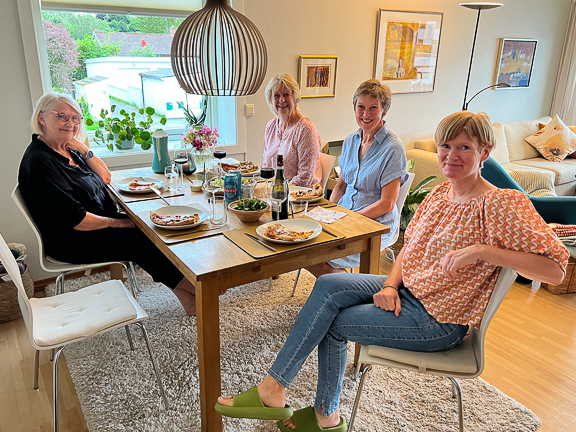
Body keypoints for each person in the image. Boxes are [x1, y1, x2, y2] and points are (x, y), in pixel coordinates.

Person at [215, 111, 569, 431]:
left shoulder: (501, 203)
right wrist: (388, 285)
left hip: (437, 321)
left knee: (333, 324)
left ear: (485, 152)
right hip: (407, 291)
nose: (452, 155)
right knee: (328, 285)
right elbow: (409, 248)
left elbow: (555, 270)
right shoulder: (440, 194)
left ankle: (326, 415)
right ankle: (274, 388)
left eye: (464, 147)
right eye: (446, 146)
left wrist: (484, 250)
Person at [18, 93, 198, 315]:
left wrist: (83, 149)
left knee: (149, 224)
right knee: (141, 237)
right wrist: (120, 223)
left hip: (97, 225)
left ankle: (187, 294)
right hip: (73, 239)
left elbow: (105, 176)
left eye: (75, 118)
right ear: (42, 118)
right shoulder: (40, 162)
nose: (70, 123)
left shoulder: (66, 148)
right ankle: (192, 288)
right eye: (62, 116)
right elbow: (76, 219)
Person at [306, 79, 407, 278]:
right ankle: (344, 284)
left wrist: (351, 218)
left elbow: (387, 203)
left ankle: (347, 287)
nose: (366, 114)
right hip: (345, 215)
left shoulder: (393, 148)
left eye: (373, 108)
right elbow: (341, 186)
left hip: (375, 225)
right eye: (361, 107)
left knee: (318, 257)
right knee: (304, 247)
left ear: (384, 110)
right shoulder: (350, 141)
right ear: (354, 108)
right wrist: (327, 211)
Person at [262, 74, 322, 187]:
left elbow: (305, 177)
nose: (281, 100)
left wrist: (280, 189)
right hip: (273, 191)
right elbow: (266, 165)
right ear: (270, 100)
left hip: (298, 194)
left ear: (295, 97)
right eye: (276, 96)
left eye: (286, 94)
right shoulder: (271, 126)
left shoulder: (305, 129)